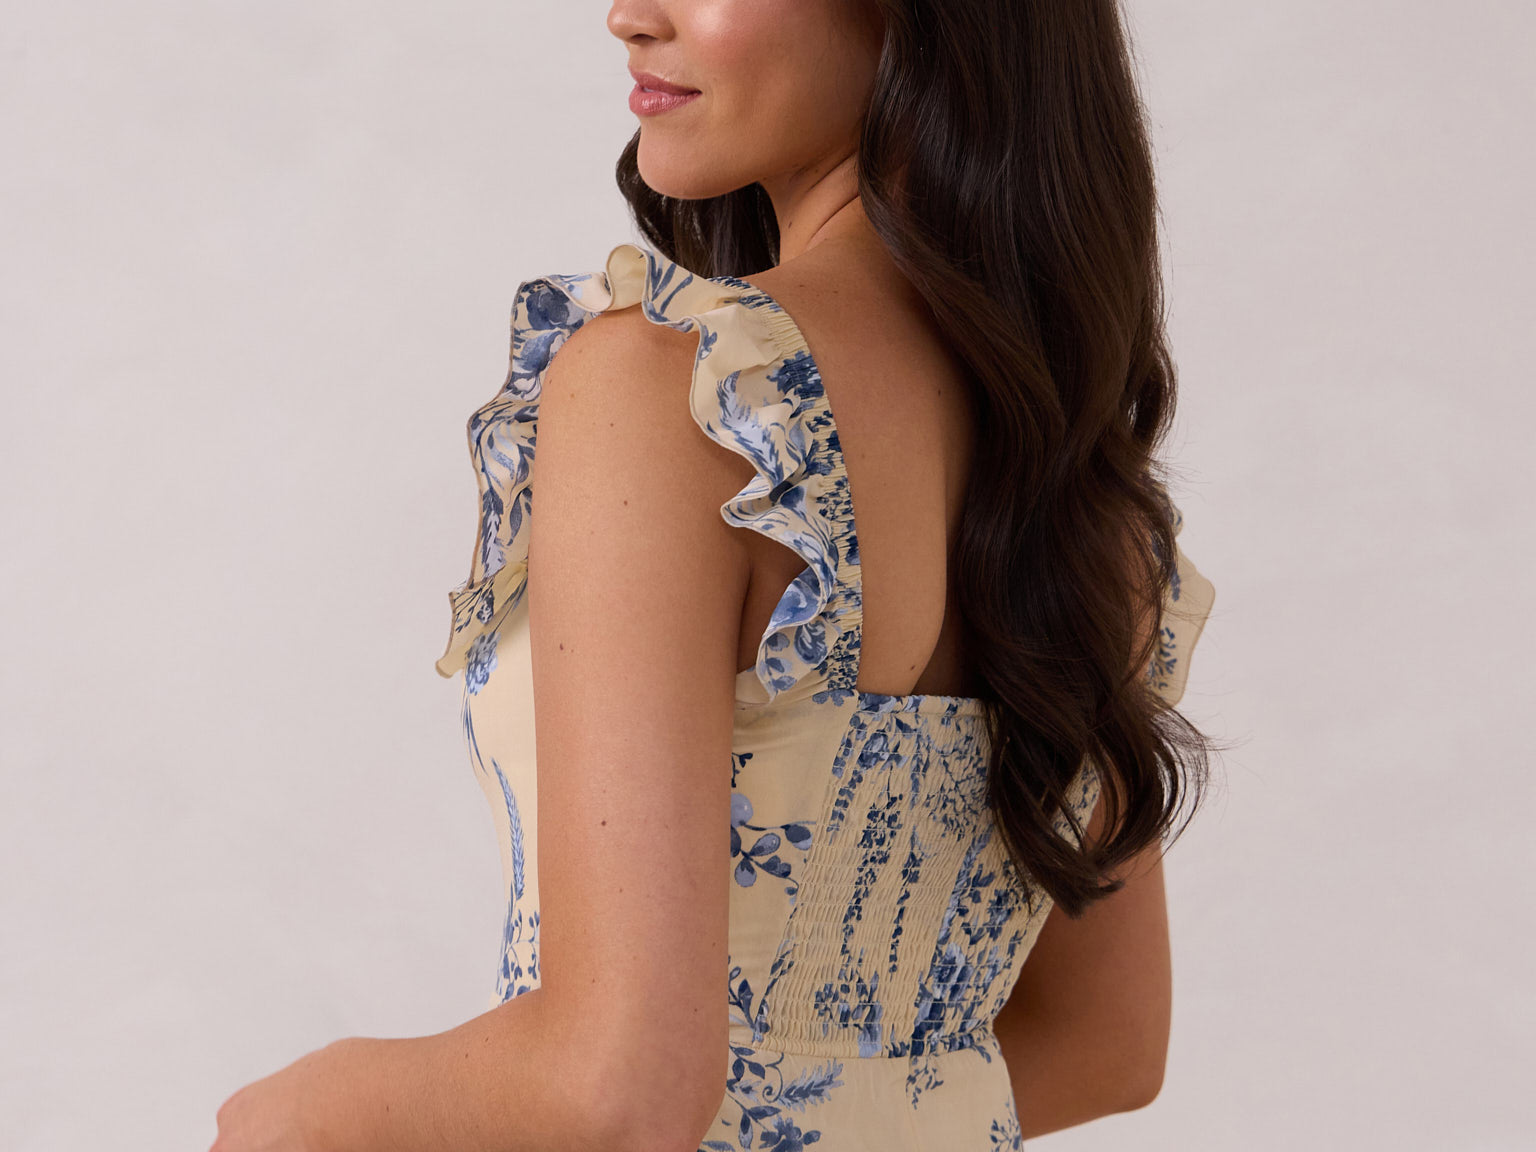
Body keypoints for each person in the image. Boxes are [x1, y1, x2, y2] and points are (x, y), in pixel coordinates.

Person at [211, 2, 1217, 1149]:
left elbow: (615, 1091)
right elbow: (1104, 1044)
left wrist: (297, 1109)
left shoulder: (680, 395)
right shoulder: (1081, 490)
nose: (628, 16)